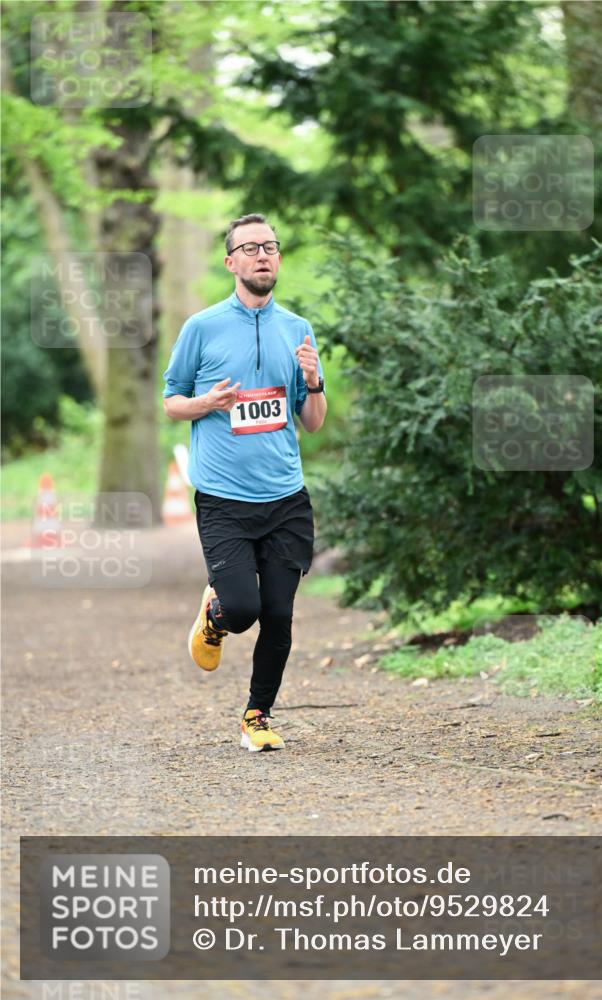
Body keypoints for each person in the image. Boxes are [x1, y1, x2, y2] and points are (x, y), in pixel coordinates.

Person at [162, 213, 327, 752]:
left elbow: (313, 420)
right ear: (231, 262)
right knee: (244, 609)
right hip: (225, 499)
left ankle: (257, 716)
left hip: (285, 497)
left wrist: (313, 381)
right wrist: (207, 403)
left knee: (279, 615)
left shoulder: (297, 329)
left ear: (278, 258)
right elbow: (170, 402)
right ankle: (214, 613)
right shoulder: (202, 328)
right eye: (251, 247)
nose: (263, 255)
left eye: (271, 246)